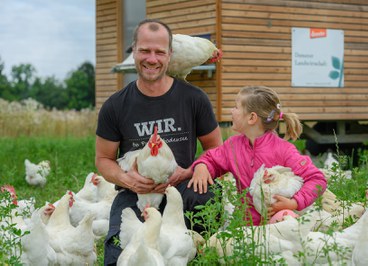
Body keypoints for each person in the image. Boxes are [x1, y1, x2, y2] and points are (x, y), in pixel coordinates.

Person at [95, 18, 222, 265]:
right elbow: (103, 159)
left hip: (183, 187)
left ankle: (200, 253)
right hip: (136, 190)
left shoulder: (194, 98)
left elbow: (216, 149)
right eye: (144, 50)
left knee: (206, 196)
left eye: (159, 52)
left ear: (170, 54)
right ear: (134, 51)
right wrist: (127, 179)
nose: (151, 59)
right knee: (117, 256)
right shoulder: (115, 105)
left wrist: (192, 171)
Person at [188, 85, 327, 226]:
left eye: (236, 107)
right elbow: (212, 159)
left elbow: (317, 179)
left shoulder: (284, 150)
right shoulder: (232, 146)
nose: (232, 110)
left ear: (252, 118)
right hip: (244, 225)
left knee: (285, 219)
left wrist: (294, 203)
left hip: (276, 224)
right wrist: (202, 166)